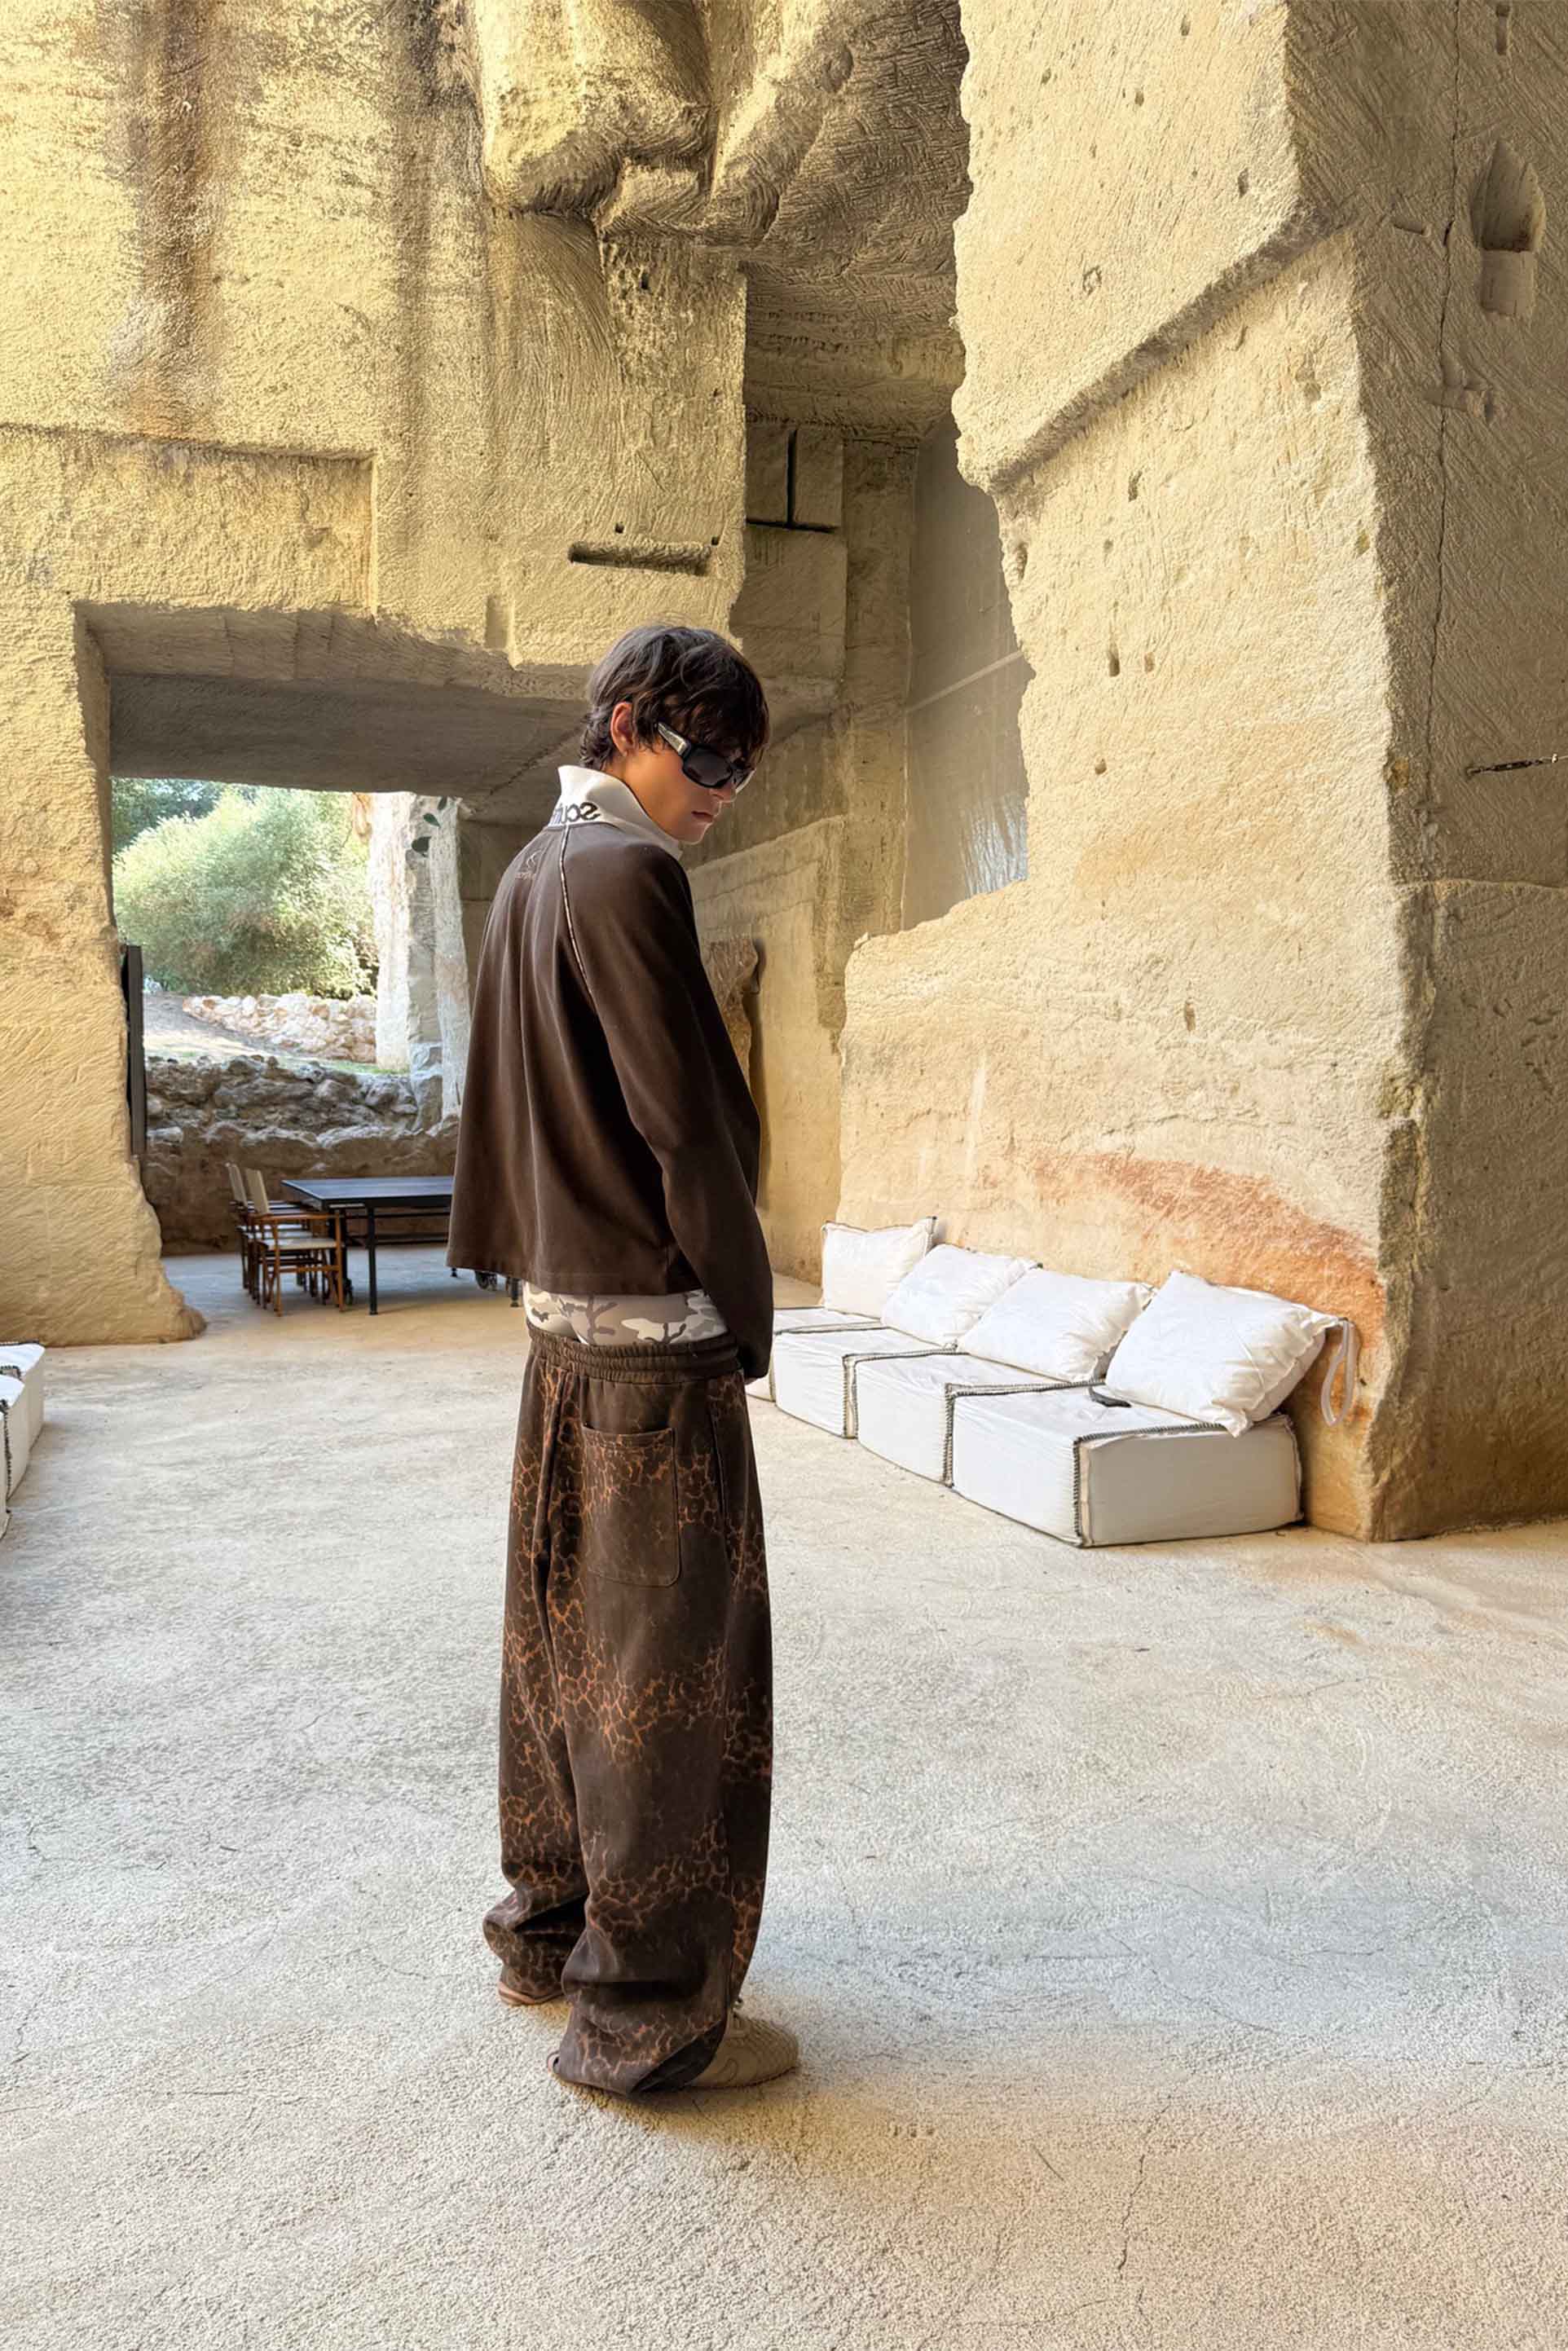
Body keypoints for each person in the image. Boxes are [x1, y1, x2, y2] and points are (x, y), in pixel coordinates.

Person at [447, 623, 798, 2097]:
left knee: (559, 1646)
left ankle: (550, 1932)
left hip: (562, 1336)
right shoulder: (629, 874)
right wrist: (750, 1309)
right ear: (632, 724)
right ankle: (645, 2013)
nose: (720, 789)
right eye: (706, 754)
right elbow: (683, 1124)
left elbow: (500, 1101)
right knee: (670, 1679)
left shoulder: (534, 871)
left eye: (742, 768)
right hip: (654, 1353)